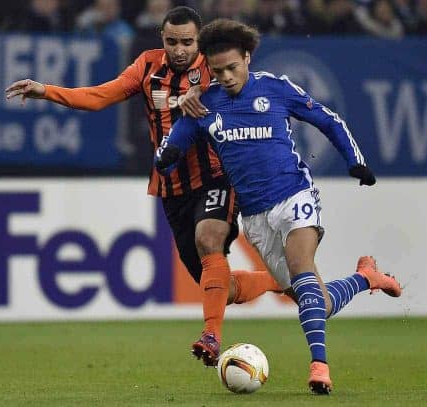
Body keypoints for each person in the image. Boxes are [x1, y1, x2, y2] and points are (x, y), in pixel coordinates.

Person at [5, 6, 282, 367]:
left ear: (199, 40)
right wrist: (47, 91)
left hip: (216, 175)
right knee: (219, 288)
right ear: (161, 39)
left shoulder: (215, 69)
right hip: (172, 188)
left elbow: (249, 103)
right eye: (172, 42)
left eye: (187, 42)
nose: (180, 50)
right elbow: (101, 95)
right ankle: (281, 280)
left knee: (208, 239)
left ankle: (211, 336)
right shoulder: (147, 67)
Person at [154, 18, 402, 394]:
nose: (226, 77)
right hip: (254, 217)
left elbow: (327, 120)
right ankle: (367, 277)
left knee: (303, 267)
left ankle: (320, 367)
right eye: (217, 70)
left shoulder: (275, 88)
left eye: (233, 68)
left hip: (294, 196)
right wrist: (166, 156)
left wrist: (355, 159)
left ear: (248, 58)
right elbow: (170, 147)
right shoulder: (205, 105)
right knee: (312, 300)